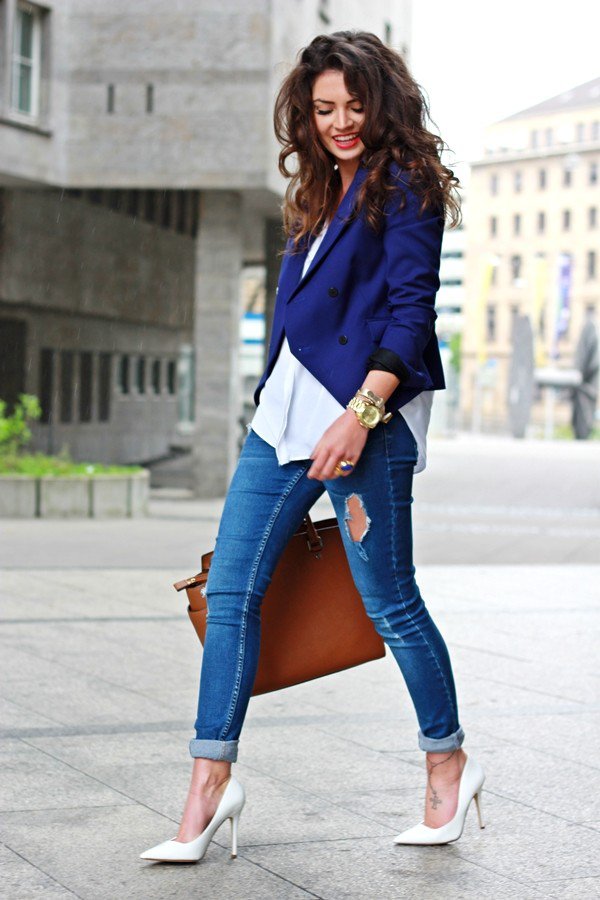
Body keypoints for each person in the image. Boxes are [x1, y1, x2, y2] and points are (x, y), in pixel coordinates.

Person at [140, 30, 485, 864]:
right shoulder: (318, 188)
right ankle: (209, 787)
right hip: (281, 421)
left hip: (360, 421)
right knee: (230, 592)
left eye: (354, 105)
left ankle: (448, 763)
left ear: (383, 100)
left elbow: (410, 317)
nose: (338, 121)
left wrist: (358, 418)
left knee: (390, 603)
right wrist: (276, 402)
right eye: (323, 108)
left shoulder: (405, 184)